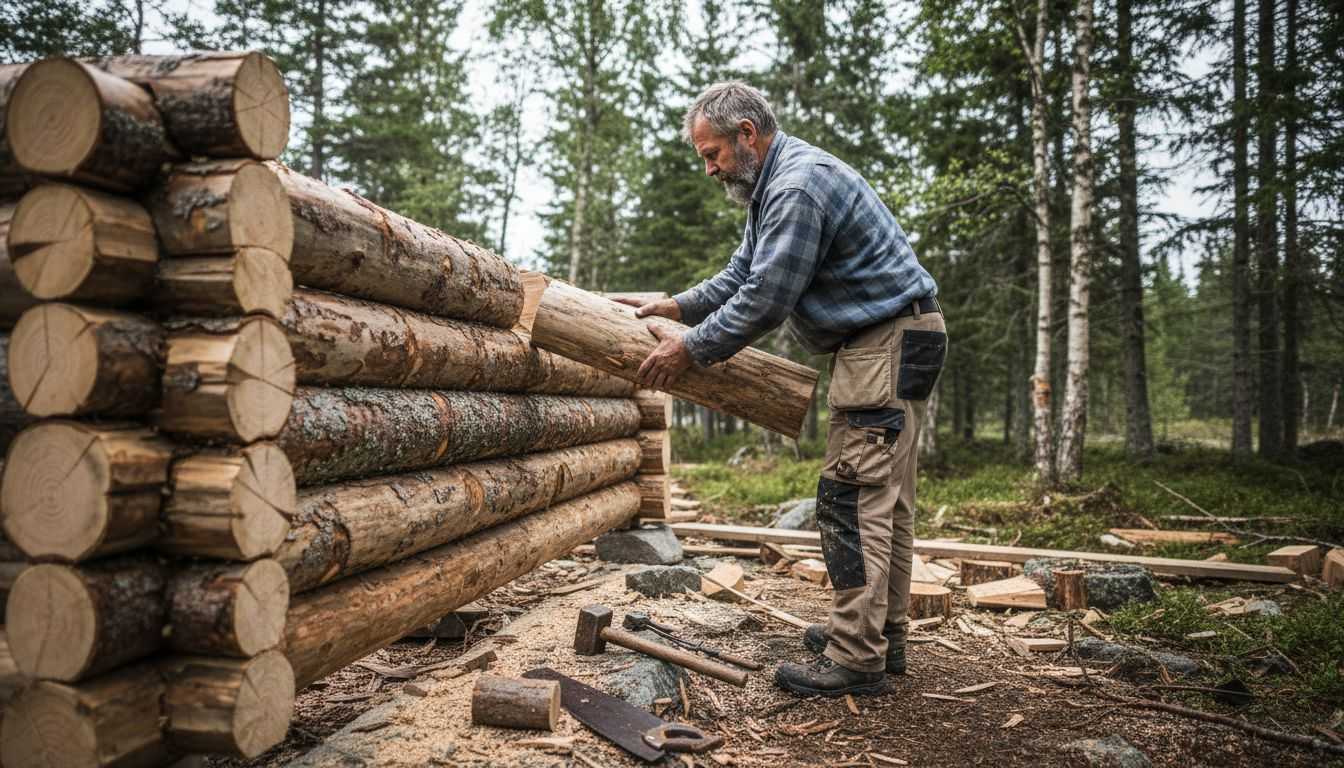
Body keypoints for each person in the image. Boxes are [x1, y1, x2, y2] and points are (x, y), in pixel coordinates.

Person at [618, 81, 946, 698]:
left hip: (886, 340)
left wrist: (689, 347)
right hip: (901, 335)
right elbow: (744, 273)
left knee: (852, 496)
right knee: (887, 498)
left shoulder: (795, 186)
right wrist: (676, 306)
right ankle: (881, 635)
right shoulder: (773, 185)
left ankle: (857, 657)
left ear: (748, 133)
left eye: (712, 153)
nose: (710, 169)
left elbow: (766, 300)